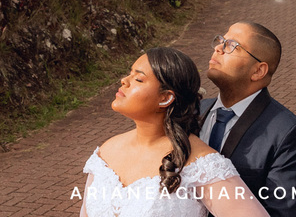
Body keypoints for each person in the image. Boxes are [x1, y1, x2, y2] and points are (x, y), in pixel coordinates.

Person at [80, 46, 269, 217]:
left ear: (165, 98)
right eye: (129, 74)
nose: (124, 81)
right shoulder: (107, 151)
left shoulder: (202, 165)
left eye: (138, 79)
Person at [200, 23, 296, 217]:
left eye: (231, 45)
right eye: (220, 41)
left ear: (258, 71)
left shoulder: (288, 132)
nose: (218, 48)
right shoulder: (193, 111)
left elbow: (282, 212)